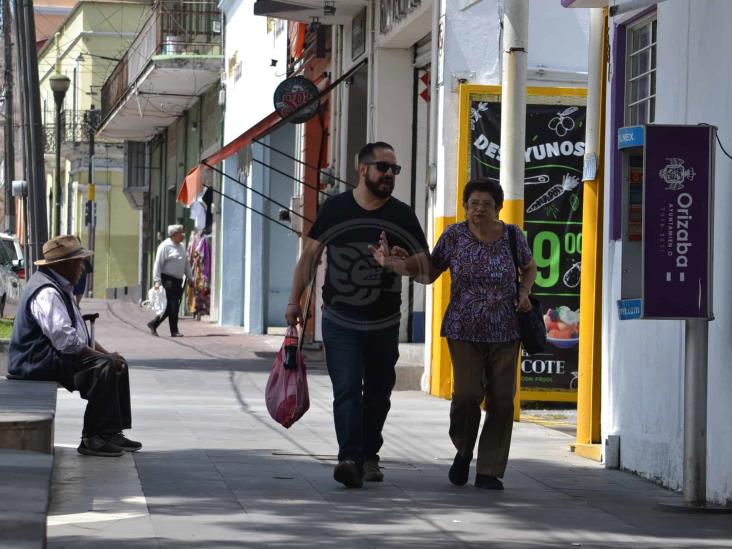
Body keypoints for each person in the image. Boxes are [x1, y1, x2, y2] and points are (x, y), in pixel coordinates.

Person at [370, 178, 537, 490]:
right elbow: (430, 271)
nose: (479, 209)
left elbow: (529, 267)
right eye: (473, 203)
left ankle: (488, 470)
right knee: (467, 395)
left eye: (487, 204)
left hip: (506, 329)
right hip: (464, 328)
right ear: (465, 207)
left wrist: (525, 291)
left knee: (502, 400)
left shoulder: (513, 236)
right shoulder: (454, 236)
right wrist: (399, 263)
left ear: (498, 208)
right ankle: (463, 449)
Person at [285, 142, 430, 488]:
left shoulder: (402, 215)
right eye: (383, 168)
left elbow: (427, 270)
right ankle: (350, 457)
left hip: (384, 321)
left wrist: (399, 262)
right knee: (348, 388)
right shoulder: (336, 208)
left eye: (394, 170)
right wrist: (294, 301)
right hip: (339, 318)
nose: (389, 176)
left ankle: (369, 455)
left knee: (378, 392)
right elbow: (310, 257)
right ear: (362, 169)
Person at [8, 235, 141, 457]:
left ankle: (111, 432)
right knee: (104, 366)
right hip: (34, 361)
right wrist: (102, 358)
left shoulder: (61, 287)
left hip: (52, 356)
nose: (83, 267)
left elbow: (79, 334)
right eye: (79, 262)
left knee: (117, 363)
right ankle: (92, 438)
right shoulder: (47, 292)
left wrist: (108, 354)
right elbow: (66, 340)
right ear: (64, 264)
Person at [147, 224, 193, 337]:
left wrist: (190, 277)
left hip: (178, 281)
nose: (182, 235)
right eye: (180, 233)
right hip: (167, 280)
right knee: (174, 306)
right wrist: (157, 280)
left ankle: (154, 323)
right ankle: (174, 331)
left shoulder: (181, 246)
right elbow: (157, 264)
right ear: (173, 235)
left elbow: (186, 263)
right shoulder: (165, 246)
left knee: (170, 307)